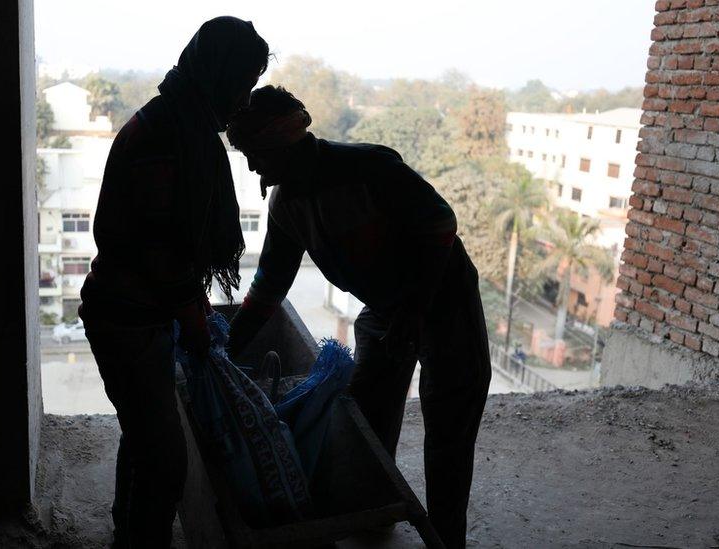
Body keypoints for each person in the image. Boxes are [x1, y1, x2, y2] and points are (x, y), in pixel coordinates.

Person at [225, 86, 491, 548]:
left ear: (281, 144)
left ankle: (447, 539)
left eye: (255, 154)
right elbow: (269, 285)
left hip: (446, 303)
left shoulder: (369, 168)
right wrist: (224, 351)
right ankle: (375, 514)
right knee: (367, 414)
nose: (253, 168)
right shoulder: (287, 205)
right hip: (387, 310)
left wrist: (412, 314)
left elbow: (440, 224)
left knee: (448, 427)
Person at [78, 18, 269, 548]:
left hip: (140, 315)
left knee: (144, 438)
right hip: (128, 319)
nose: (244, 100)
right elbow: (162, 250)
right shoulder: (171, 138)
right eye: (243, 84)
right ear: (220, 76)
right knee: (166, 464)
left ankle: (128, 533)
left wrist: (189, 310)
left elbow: (173, 247)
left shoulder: (180, 124)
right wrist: (193, 317)